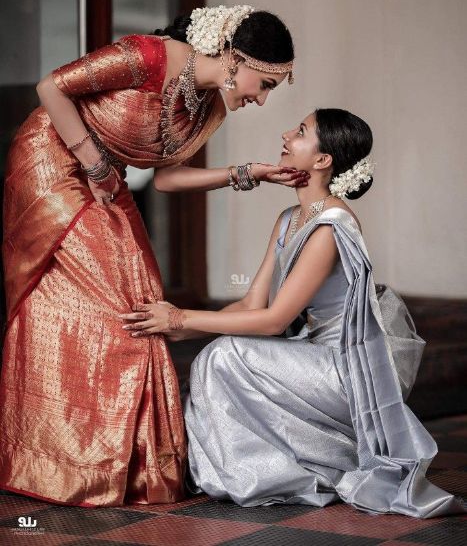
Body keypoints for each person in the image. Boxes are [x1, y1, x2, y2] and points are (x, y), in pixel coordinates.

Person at [0, 5, 304, 507]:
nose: (263, 100)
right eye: (265, 83)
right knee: (115, 300)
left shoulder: (211, 107)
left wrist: (250, 172)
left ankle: (125, 464)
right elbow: (50, 88)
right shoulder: (147, 56)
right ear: (235, 57)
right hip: (52, 157)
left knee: (141, 300)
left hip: (101, 175)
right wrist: (95, 164)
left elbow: (165, 179)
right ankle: (67, 462)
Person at [121, 108, 465, 518]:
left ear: (322, 161)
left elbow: (275, 321)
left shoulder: (329, 227)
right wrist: (179, 326)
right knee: (221, 354)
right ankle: (244, 470)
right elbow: (252, 304)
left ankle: (257, 474)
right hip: (311, 355)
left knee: (226, 355)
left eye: (301, 132)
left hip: (343, 369)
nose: (286, 134)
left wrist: (182, 318)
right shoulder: (289, 219)